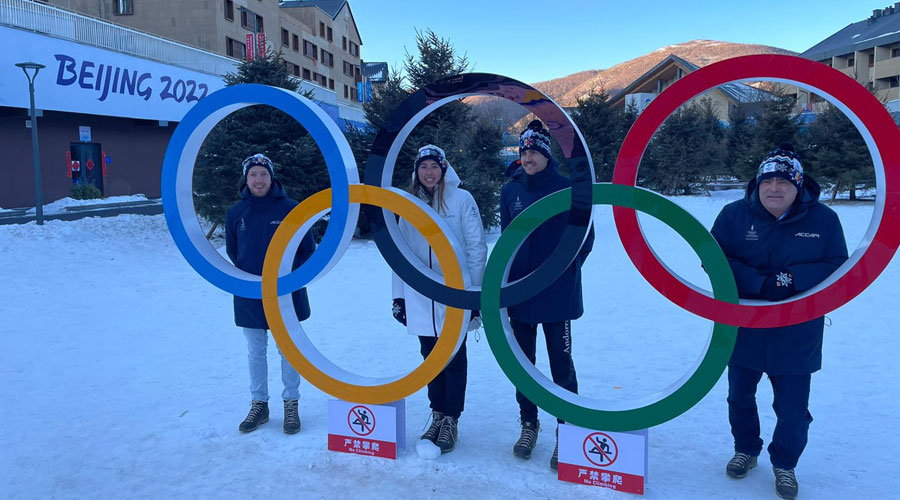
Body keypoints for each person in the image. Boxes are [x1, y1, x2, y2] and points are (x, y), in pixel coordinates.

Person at [711, 143, 848, 500]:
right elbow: (713, 259)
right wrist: (759, 283)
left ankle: (785, 462)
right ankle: (746, 449)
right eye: (767, 180)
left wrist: (790, 280)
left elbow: (838, 265)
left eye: (784, 182)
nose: (774, 188)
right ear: (757, 184)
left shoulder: (823, 220)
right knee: (739, 396)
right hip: (744, 324)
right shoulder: (733, 216)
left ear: (798, 185)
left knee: (792, 408)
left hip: (797, 330)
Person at [499, 119, 594, 469]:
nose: (528, 157)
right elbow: (507, 241)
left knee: (561, 366)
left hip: (558, 294)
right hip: (520, 294)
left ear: (546, 154)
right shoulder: (511, 190)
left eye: (534, 151)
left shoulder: (569, 188)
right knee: (523, 365)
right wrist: (506, 283)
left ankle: (567, 430)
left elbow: (586, 237)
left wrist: (567, 270)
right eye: (523, 152)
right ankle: (528, 424)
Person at [391, 144, 487, 455]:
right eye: (423, 167)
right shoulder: (408, 204)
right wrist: (399, 297)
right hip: (420, 295)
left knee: (454, 358)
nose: (429, 172)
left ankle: (451, 419)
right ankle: (436, 413)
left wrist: (474, 294)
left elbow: (476, 248)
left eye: (434, 166)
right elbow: (399, 254)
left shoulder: (461, 200)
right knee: (429, 356)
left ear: (443, 168)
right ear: (416, 172)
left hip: (454, 293)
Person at [225, 153, 316, 435]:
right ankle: (259, 404)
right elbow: (233, 252)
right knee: (255, 351)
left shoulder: (291, 209)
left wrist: (287, 279)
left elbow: (307, 250)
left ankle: (291, 403)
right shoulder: (236, 213)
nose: (258, 179)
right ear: (246, 178)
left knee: (288, 350)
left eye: (263, 174)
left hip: (285, 293)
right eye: (253, 174)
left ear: (272, 176)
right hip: (249, 293)